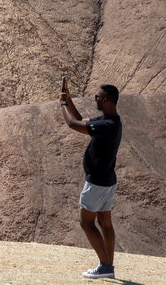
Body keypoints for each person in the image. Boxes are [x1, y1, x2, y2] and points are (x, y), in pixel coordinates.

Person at [60, 77, 122, 280]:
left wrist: (61, 104)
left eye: (98, 96)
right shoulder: (111, 121)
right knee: (105, 222)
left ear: (106, 101)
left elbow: (71, 124)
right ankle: (108, 266)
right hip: (107, 180)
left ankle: (105, 265)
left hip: (96, 182)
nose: (95, 98)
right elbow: (80, 120)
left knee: (86, 223)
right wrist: (69, 100)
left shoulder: (107, 125)